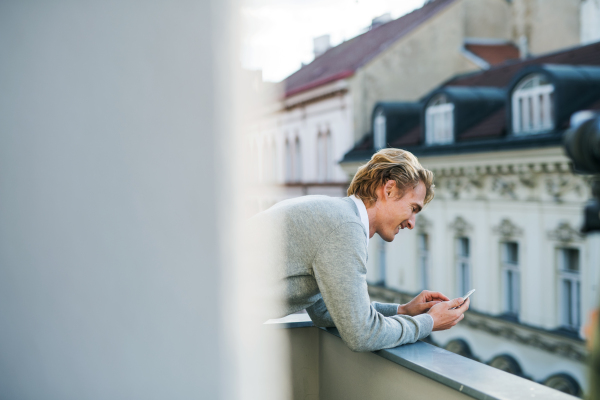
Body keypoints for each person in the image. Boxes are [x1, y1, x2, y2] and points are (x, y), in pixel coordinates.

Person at [249, 148, 470, 352]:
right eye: (413, 208)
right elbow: (362, 334)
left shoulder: (335, 215)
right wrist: (429, 322)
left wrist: (402, 310)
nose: (412, 222)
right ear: (389, 190)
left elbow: (326, 313)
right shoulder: (344, 227)